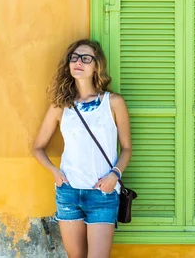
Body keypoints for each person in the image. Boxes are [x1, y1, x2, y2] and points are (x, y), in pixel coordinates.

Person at [32, 39, 132, 258]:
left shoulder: (113, 102)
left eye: (86, 58)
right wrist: (55, 173)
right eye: (74, 58)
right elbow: (38, 147)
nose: (79, 62)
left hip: (102, 193)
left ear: (97, 66)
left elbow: (126, 148)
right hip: (68, 193)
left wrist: (114, 175)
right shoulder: (61, 105)